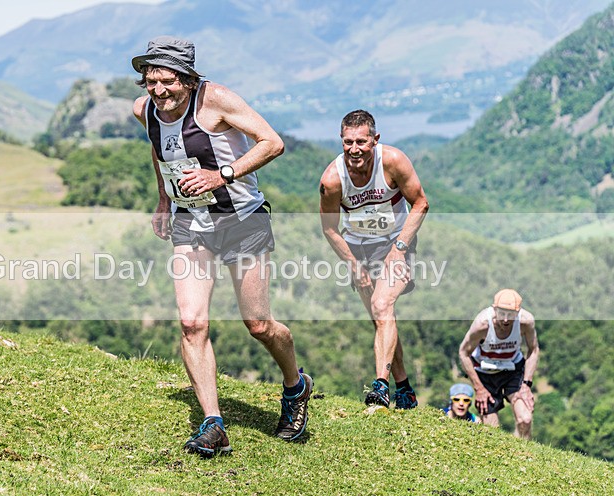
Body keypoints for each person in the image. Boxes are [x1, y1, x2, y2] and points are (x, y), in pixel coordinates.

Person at [131, 36, 312, 457]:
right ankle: (213, 423)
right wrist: (163, 198)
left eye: (168, 81)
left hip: (242, 223)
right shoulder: (146, 112)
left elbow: (273, 142)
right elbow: (161, 154)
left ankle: (295, 386)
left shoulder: (218, 101)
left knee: (259, 325)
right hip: (190, 224)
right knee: (192, 323)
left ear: (189, 79)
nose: (158, 91)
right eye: (150, 81)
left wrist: (222, 175)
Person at [319, 110, 429, 409]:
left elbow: (420, 203)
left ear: (375, 140)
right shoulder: (332, 180)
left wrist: (400, 248)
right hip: (357, 248)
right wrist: (354, 266)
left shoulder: (393, 161)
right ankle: (404, 387)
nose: (354, 149)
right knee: (381, 319)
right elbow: (329, 228)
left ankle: (381, 388)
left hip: (396, 242)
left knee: (382, 306)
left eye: (361, 142)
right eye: (347, 142)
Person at [458, 289, 540, 439]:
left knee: (525, 419)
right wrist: (479, 388)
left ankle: (524, 456)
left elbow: (533, 350)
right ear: (494, 309)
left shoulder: (526, 322)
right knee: (492, 432)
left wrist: (526, 385)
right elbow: (463, 353)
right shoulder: (482, 324)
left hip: (512, 369)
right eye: (502, 313)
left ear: (518, 312)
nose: (506, 320)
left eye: (511, 315)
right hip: (485, 373)